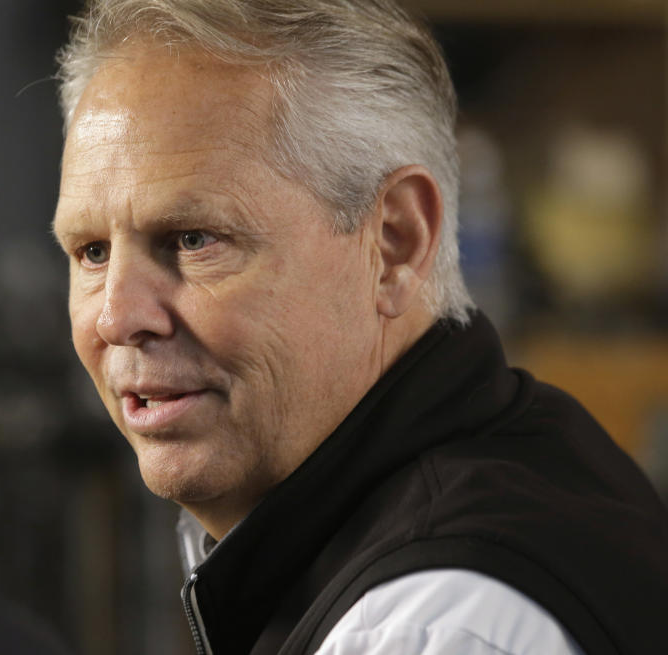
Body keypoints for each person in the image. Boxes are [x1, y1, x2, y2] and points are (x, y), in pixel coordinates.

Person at [50, 1, 668, 653]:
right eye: (91, 252)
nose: (116, 316)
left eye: (194, 239)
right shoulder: (512, 458)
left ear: (396, 242)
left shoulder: (434, 628)